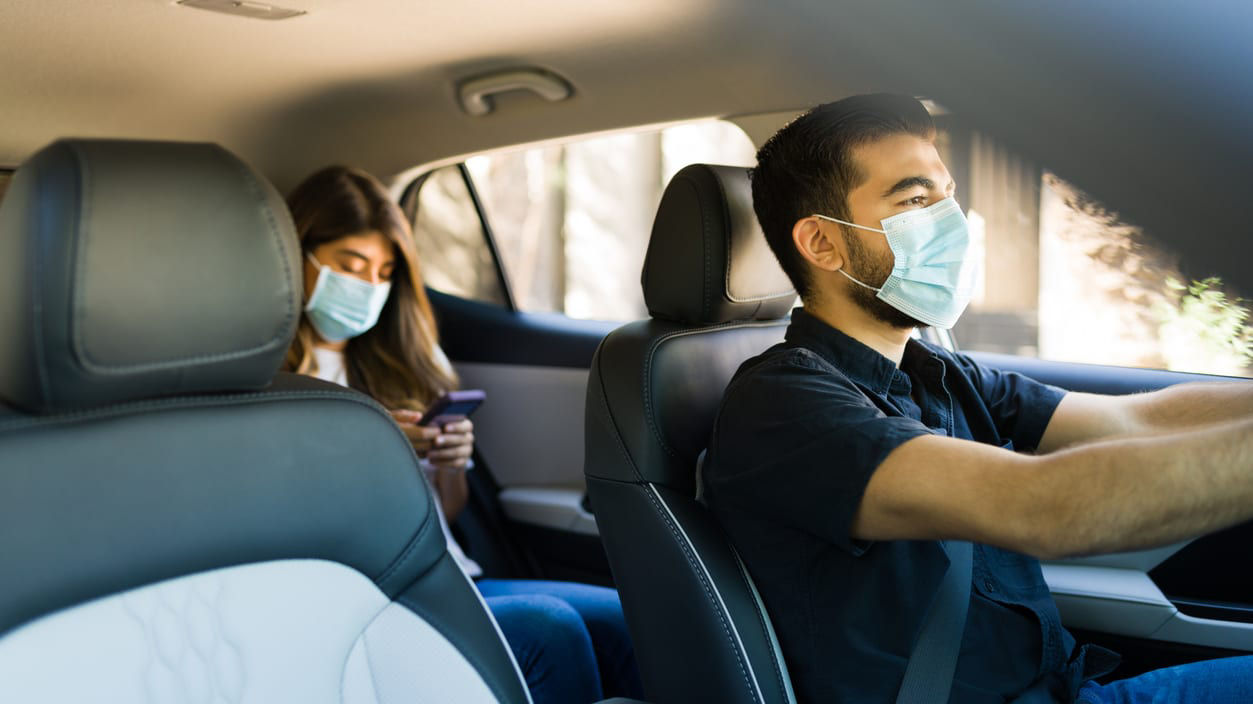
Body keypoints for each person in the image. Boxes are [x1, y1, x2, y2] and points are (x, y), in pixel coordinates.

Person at [702, 94, 1253, 703]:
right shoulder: (783, 406)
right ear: (823, 245)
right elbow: (1046, 507)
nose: (953, 222)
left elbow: (1134, 417)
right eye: (915, 201)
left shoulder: (938, 372)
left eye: (948, 195)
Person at [285, 165, 643, 704]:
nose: (369, 288)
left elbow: (447, 513)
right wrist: (376, 450)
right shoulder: (271, 376)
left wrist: (450, 462)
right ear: (298, 258)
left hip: (453, 574)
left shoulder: (400, 361)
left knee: (626, 620)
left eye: (385, 273)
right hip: (379, 592)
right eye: (351, 266)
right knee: (550, 630)